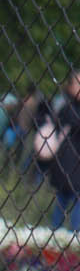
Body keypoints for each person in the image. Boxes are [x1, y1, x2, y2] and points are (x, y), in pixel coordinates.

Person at [34, 69, 80, 232]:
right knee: (65, 199)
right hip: (67, 162)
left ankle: (66, 234)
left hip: (71, 164)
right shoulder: (67, 108)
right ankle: (64, 234)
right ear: (70, 87)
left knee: (70, 200)